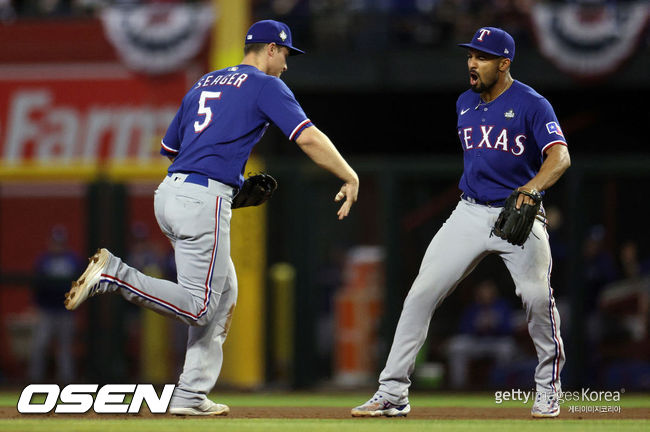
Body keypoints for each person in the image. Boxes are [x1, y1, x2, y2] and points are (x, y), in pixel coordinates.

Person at [64, 19, 359, 416]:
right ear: (271, 49)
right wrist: (347, 174)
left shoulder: (206, 81)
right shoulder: (265, 85)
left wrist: (222, 185)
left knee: (225, 296)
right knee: (200, 307)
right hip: (202, 199)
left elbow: (172, 147)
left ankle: (190, 394)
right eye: (286, 54)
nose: (287, 65)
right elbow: (306, 136)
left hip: (170, 192)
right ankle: (115, 274)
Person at [351, 27, 570, 418]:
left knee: (537, 298)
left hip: (517, 211)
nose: (472, 63)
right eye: (470, 55)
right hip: (468, 211)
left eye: (482, 57)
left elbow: (560, 156)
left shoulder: (532, 104)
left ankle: (547, 389)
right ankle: (392, 392)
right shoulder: (464, 103)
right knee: (420, 295)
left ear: (504, 64)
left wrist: (531, 189)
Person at [29, 225, 82, 383]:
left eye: (60, 242)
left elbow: (81, 285)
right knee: (40, 344)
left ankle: (66, 381)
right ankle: (34, 379)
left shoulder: (73, 260)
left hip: (66, 311)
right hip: (46, 310)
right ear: (49, 242)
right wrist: (35, 306)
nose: (57, 246)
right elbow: (36, 285)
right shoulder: (43, 260)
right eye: (54, 242)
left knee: (65, 348)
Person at [445, 279, 516, 389]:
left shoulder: (503, 306)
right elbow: (463, 329)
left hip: (496, 342)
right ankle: (458, 386)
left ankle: (501, 385)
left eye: (488, 291)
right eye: (482, 291)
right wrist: (477, 326)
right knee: (456, 346)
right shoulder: (473, 308)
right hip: (476, 342)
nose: (485, 294)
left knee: (507, 348)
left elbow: (510, 330)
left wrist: (495, 325)